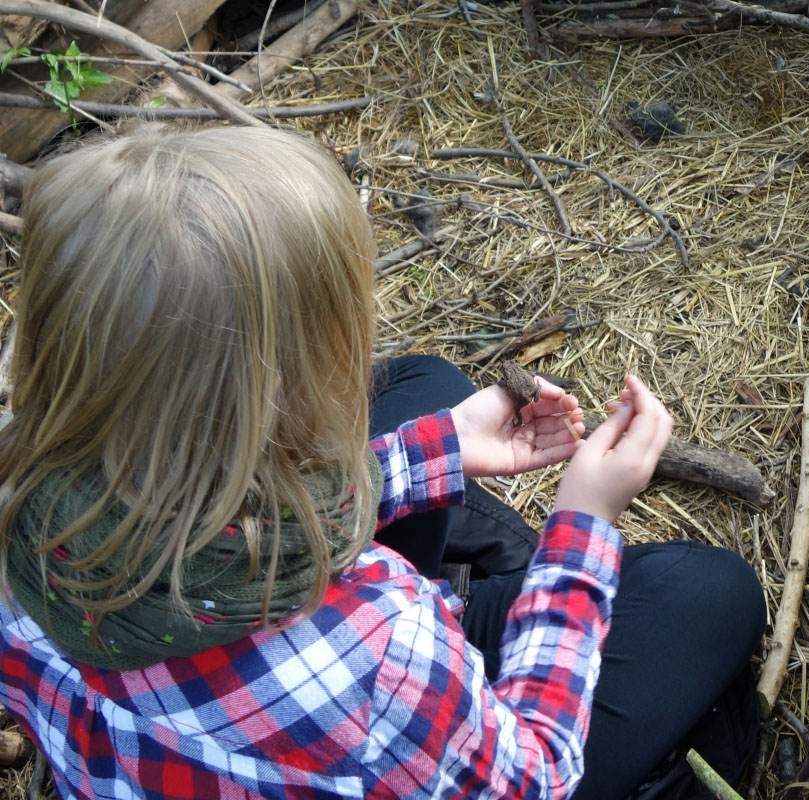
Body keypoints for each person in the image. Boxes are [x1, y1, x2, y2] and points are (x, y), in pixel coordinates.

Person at [0, 125, 766, 800]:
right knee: (712, 591)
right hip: (364, 710)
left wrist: (439, 448)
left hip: (206, 732)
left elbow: (218, 518)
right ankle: (504, 593)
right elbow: (534, 779)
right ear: (280, 401)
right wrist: (581, 526)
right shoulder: (382, 649)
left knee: (428, 387)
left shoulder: (19, 505)